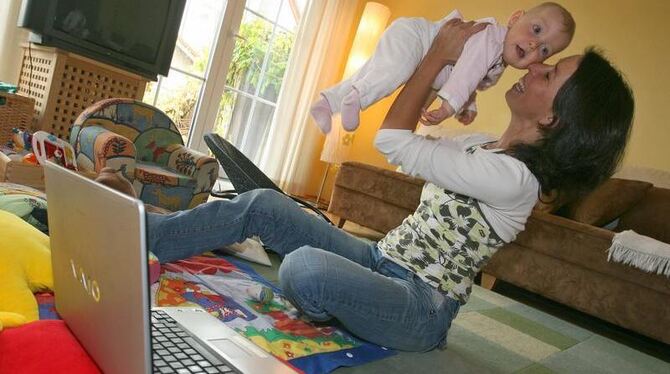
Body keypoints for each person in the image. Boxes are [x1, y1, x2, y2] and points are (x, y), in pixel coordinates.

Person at [102, 19, 633, 352]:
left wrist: (435, 58)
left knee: (306, 267)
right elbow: (417, 139)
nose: (535, 65)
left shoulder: (516, 179)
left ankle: (326, 306)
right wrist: (450, 75)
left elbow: (395, 141)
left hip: (419, 307)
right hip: (380, 261)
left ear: (559, 119)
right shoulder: (482, 147)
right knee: (262, 202)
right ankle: (139, 233)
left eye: (550, 73)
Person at [310, 2, 576, 134]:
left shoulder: (497, 61)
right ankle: (357, 98)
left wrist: (468, 105)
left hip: (420, 51)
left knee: (374, 70)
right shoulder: (492, 38)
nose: (533, 44)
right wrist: (448, 107)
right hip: (418, 39)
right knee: (393, 72)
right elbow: (467, 73)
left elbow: (471, 81)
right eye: (536, 30)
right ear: (516, 18)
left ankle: (327, 102)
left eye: (544, 50)